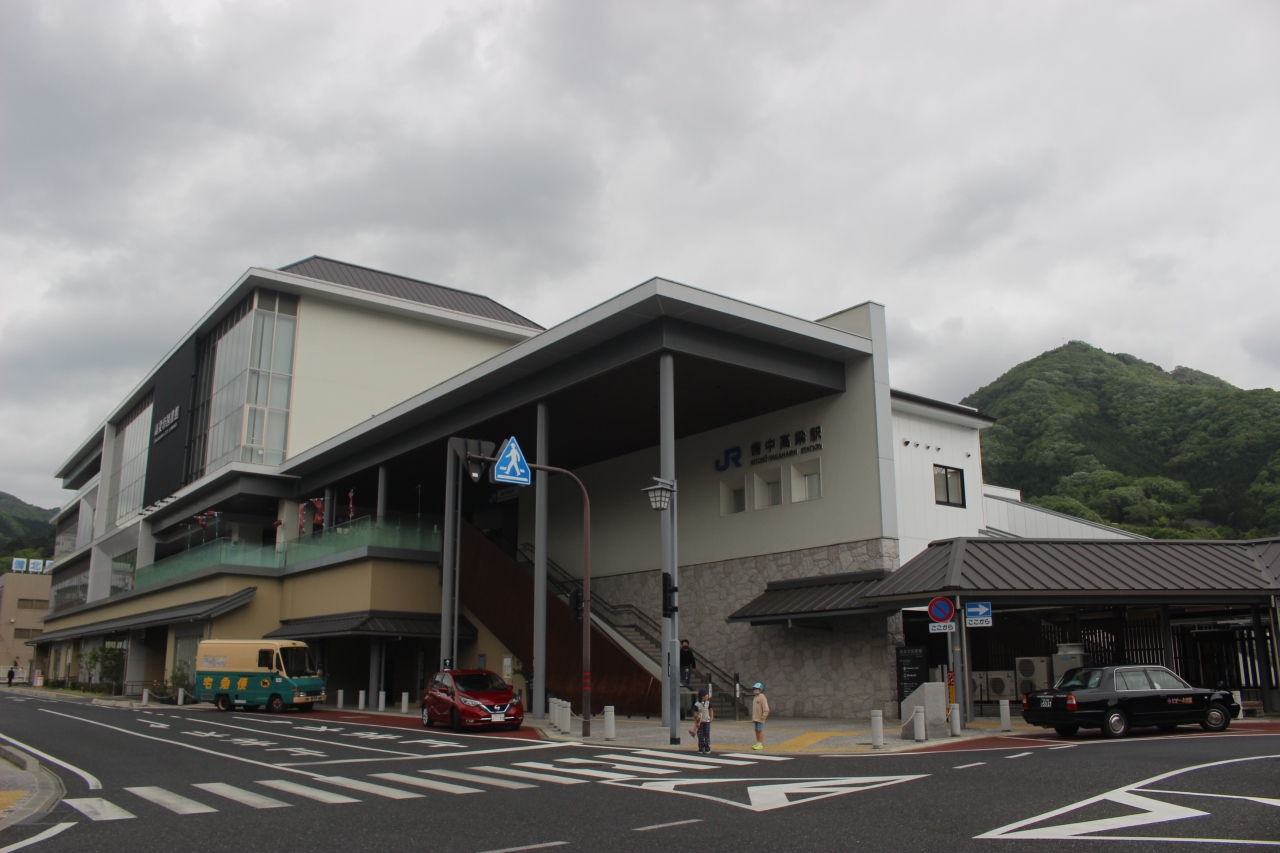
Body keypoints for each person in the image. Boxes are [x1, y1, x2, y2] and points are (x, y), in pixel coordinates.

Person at [693, 688, 713, 754]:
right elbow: (695, 714)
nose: (708, 696)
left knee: (707, 735)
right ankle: (701, 747)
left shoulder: (708, 703)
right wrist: (696, 722)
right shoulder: (697, 704)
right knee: (700, 735)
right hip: (700, 722)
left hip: (707, 721)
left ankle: (707, 748)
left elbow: (711, 710)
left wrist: (712, 717)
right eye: (706, 695)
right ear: (702, 696)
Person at [751, 682, 769, 750]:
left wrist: (764, 716)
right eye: (754, 689)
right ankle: (758, 742)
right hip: (756, 718)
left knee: (760, 730)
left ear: (760, 689)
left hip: (760, 718)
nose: (755, 690)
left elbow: (766, 708)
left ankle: (760, 743)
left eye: (757, 689)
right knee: (756, 730)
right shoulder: (755, 697)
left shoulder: (762, 697)